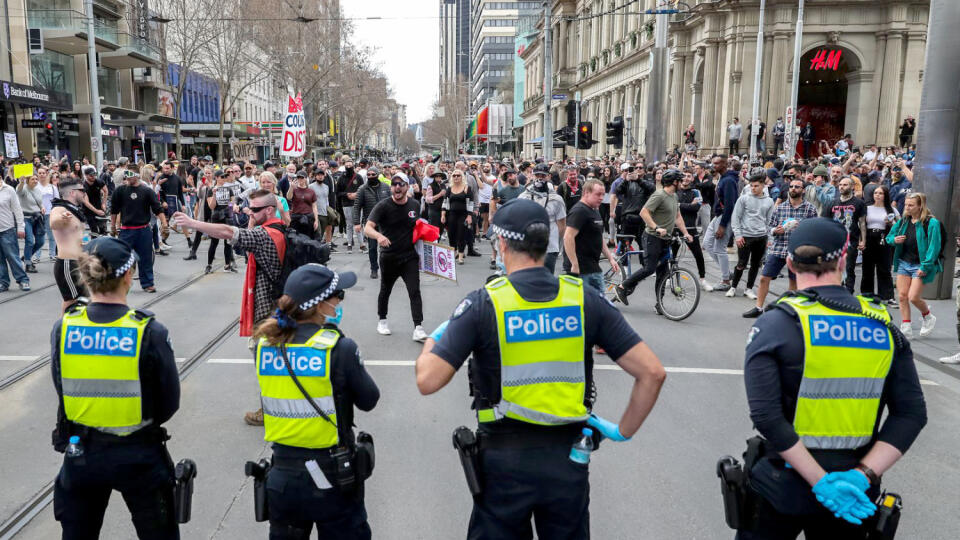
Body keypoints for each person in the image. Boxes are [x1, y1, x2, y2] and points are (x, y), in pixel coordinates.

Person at [415, 198, 667, 540]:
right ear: (545, 242)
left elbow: (428, 380)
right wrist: (623, 430)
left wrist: (437, 337)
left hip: (503, 461)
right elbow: (652, 373)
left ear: (502, 244)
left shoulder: (483, 303)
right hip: (569, 458)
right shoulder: (581, 299)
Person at [739, 217, 927, 539]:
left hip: (781, 485)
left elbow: (766, 416)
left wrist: (819, 481)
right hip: (854, 492)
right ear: (843, 259)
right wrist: (862, 476)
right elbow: (911, 414)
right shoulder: (882, 325)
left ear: (789, 263)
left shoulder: (774, 324)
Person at [50, 237, 181, 539]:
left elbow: (61, 385)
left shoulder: (64, 327)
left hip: (81, 451)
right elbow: (169, 402)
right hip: (138, 452)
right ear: (128, 275)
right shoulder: (149, 331)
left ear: (85, 277)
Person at [251, 264, 379, 539]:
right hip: (332, 476)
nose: (340, 301)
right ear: (319, 305)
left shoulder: (264, 346)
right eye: (337, 295)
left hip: (283, 476)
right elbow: (369, 400)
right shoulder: (338, 348)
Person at [172, 189, 286, 427]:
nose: (249, 212)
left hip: (266, 307)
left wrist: (193, 222)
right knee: (278, 358)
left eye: (254, 209)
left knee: (265, 361)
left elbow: (227, 231)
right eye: (248, 208)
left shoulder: (264, 236)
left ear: (268, 210)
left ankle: (270, 410)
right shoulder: (281, 229)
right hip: (280, 303)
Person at [615, 169, 693, 309]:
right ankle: (622, 287)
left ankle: (659, 304)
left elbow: (678, 217)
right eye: (680, 180)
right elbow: (644, 213)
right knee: (649, 268)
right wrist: (656, 227)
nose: (683, 182)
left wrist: (686, 233)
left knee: (662, 273)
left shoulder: (674, 196)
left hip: (666, 238)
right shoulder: (659, 195)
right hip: (652, 236)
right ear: (674, 182)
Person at [363, 174, 428, 342]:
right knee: (386, 289)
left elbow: (418, 227)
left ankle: (418, 327)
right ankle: (382, 321)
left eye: (400, 184)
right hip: (389, 256)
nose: (397, 187)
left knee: (414, 290)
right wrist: (378, 237)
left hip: (409, 256)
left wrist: (426, 236)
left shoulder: (414, 204)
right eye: (394, 184)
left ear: (407, 187)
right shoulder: (383, 206)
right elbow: (367, 228)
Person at [743, 177, 817, 318]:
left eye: (797, 187)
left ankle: (789, 310)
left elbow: (813, 229)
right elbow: (769, 226)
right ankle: (758, 308)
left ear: (803, 190)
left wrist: (800, 229)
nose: (793, 189)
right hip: (778, 248)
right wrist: (774, 231)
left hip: (798, 250)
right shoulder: (780, 207)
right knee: (764, 277)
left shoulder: (810, 209)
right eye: (791, 187)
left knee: (793, 281)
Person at [886, 192, 942, 339]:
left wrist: (926, 266)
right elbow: (889, 237)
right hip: (904, 263)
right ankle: (906, 327)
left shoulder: (931, 223)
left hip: (920, 264)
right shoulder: (904, 221)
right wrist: (895, 240)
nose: (907, 208)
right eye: (906, 204)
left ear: (920, 206)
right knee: (903, 296)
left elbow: (934, 247)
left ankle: (928, 316)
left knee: (913, 297)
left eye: (911, 205)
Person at [110, 164, 168, 293]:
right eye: (126, 174)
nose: (127, 177)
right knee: (122, 258)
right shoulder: (120, 191)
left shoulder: (147, 191)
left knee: (145, 258)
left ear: (137, 175)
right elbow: (114, 210)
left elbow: (157, 208)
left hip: (143, 230)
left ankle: (147, 283)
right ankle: (121, 285)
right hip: (126, 230)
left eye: (130, 174)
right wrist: (113, 226)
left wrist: (164, 224)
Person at [562, 178, 618, 293]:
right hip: (580, 270)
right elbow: (568, 237)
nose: (602, 198)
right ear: (586, 193)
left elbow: (598, 237)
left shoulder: (594, 209)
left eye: (603, 194)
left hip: (593, 267)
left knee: (600, 305)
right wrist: (574, 264)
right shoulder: (579, 211)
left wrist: (611, 258)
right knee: (585, 307)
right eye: (598, 194)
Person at [727, 170, 775, 299]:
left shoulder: (769, 201)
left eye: (756, 186)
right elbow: (735, 217)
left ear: (763, 186)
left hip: (761, 237)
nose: (753, 188)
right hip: (745, 236)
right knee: (741, 263)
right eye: (751, 185)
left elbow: (770, 221)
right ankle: (733, 287)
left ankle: (748, 289)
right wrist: (738, 235)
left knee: (755, 264)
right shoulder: (744, 199)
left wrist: (770, 238)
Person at [49, 179, 91, 311]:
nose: (84, 193)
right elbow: (53, 222)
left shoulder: (74, 210)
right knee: (71, 302)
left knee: (87, 299)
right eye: (82, 190)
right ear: (73, 192)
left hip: (80, 262)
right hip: (67, 263)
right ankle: (62, 330)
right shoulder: (59, 208)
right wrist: (61, 219)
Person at [821, 177, 867, 294]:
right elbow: (824, 223)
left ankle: (848, 293)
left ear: (852, 187)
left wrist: (863, 241)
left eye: (845, 185)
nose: (841, 186)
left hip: (851, 241)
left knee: (849, 268)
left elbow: (862, 223)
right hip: (834, 242)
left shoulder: (859, 203)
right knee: (833, 268)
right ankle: (834, 291)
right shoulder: (831, 202)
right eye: (840, 184)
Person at [518, 165, 566, 274]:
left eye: (543, 176)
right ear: (532, 176)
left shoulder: (556, 199)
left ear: (548, 177)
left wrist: (557, 244)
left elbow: (562, 226)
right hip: (528, 246)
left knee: (546, 279)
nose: (540, 178)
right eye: (537, 175)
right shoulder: (523, 197)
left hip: (549, 247)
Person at [861, 186, 899, 305]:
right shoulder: (867, 208)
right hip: (869, 237)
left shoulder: (891, 209)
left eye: (881, 193)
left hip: (884, 237)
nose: (877, 195)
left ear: (885, 195)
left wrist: (891, 222)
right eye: (876, 193)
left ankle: (887, 296)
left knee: (885, 268)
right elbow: (861, 224)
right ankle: (867, 294)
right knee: (867, 268)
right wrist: (862, 241)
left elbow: (899, 226)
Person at [354, 167, 391, 278]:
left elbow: (392, 202)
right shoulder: (362, 189)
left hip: (385, 222)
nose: (370, 176)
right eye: (368, 174)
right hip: (371, 223)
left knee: (386, 247)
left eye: (373, 174)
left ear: (377, 174)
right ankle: (374, 269)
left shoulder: (385, 187)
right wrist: (357, 222)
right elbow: (357, 207)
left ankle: (387, 269)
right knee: (372, 247)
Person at [676, 171, 709, 290]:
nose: (685, 178)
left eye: (688, 176)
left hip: (690, 229)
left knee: (699, 255)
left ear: (692, 178)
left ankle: (702, 279)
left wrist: (680, 205)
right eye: (684, 176)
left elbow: (696, 208)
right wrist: (688, 205)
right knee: (672, 256)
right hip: (676, 229)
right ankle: (669, 278)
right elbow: (673, 207)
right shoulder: (675, 191)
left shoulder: (696, 192)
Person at [0, 176, 28, 292]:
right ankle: (3, 282)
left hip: (8, 229)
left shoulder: (9, 189)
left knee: (13, 257)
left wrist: (21, 227)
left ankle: (23, 280)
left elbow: (17, 209)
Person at [441, 169, 474, 264]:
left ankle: (460, 255)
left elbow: (471, 203)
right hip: (451, 214)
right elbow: (445, 202)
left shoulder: (467, 188)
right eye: (454, 175)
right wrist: (443, 214)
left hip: (463, 215)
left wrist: (469, 216)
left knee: (461, 235)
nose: (456, 177)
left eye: (458, 175)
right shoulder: (449, 188)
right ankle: (454, 252)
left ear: (462, 177)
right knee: (451, 235)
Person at [16, 174, 45, 273]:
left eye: (36, 179)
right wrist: (21, 182)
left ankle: (26, 256)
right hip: (26, 218)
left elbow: (40, 202)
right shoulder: (23, 188)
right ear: (28, 180)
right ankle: (28, 264)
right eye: (33, 179)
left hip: (37, 218)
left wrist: (42, 207)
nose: (36, 181)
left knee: (41, 241)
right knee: (30, 241)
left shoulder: (38, 190)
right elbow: (18, 191)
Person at [288, 171, 319, 240]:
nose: (300, 179)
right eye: (298, 178)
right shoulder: (294, 189)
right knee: (296, 240)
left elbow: (314, 206)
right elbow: (289, 197)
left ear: (305, 179)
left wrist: (316, 220)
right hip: (296, 218)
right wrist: (291, 187)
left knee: (309, 239)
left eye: (302, 178)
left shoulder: (311, 191)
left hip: (308, 218)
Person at [81, 166, 108, 236]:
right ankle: (95, 245)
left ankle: (104, 245)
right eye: (91, 175)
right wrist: (96, 211)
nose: (93, 177)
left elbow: (106, 191)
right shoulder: (83, 186)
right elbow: (86, 202)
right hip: (88, 210)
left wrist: (104, 203)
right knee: (94, 231)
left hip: (99, 206)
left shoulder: (98, 181)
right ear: (86, 176)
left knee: (103, 230)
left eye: (94, 174)